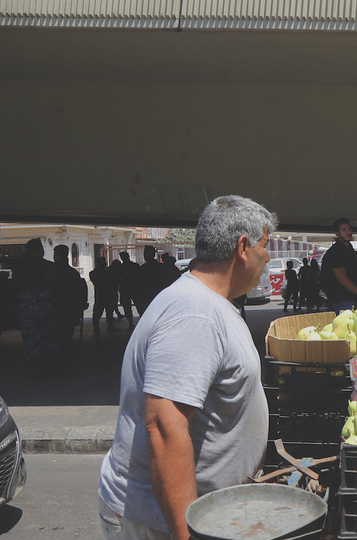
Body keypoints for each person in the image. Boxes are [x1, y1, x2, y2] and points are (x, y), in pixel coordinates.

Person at [98, 195, 276, 540]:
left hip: (205, 514)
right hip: (159, 522)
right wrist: (186, 533)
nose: (268, 256)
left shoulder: (212, 303)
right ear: (243, 247)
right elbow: (165, 426)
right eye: (265, 245)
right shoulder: (195, 312)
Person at [15, 238, 55, 377]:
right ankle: (53, 364)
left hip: (26, 307)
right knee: (49, 336)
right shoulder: (49, 266)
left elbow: (16, 285)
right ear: (40, 250)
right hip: (45, 305)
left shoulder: (20, 266)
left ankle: (34, 366)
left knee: (31, 337)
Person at [320, 217, 357, 313]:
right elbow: (343, 279)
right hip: (343, 300)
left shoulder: (349, 249)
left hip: (356, 297)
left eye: (349, 229)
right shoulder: (335, 253)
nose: (348, 232)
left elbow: (356, 273)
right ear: (337, 234)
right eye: (344, 230)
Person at [49, 244, 88, 361]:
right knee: (67, 336)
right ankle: (66, 359)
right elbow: (79, 293)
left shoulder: (50, 271)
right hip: (69, 310)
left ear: (56, 255)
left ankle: (58, 360)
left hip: (53, 310)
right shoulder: (73, 273)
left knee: (54, 338)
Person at [90, 256, 119, 334]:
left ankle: (97, 327)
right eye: (104, 262)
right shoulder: (107, 273)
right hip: (106, 294)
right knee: (105, 312)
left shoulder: (93, 273)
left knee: (99, 312)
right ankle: (106, 326)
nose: (106, 264)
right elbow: (113, 282)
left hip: (100, 295)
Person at [115, 252, 138, 328]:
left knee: (127, 307)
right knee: (136, 306)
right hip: (133, 288)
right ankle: (132, 323)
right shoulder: (134, 266)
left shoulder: (120, 268)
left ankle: (131, 323)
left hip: (126, 288)